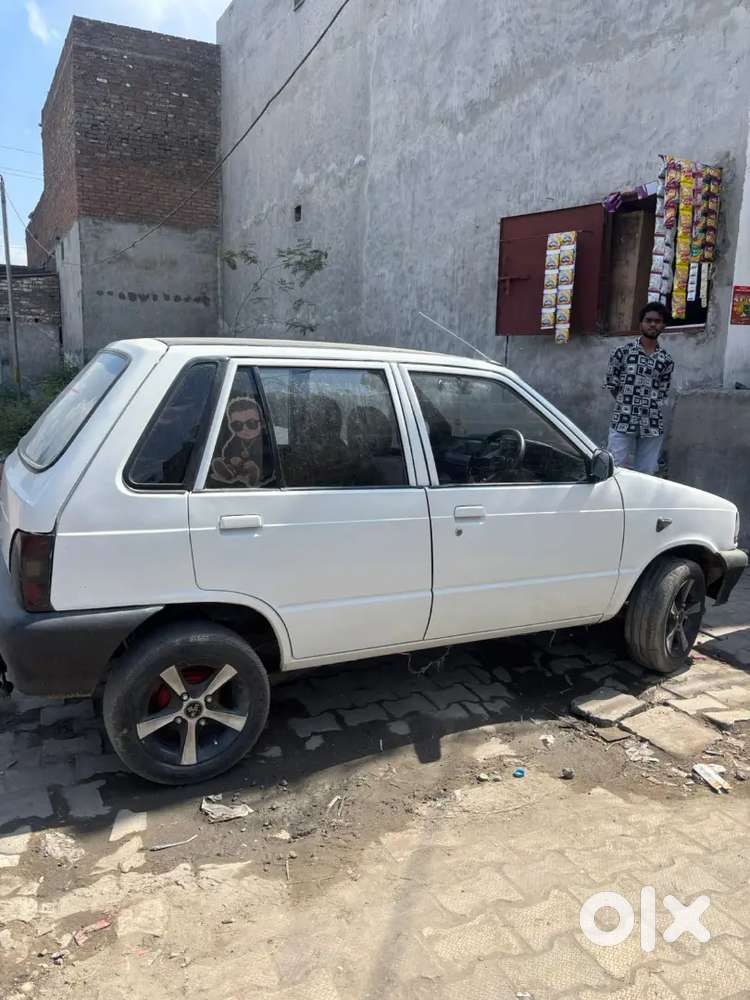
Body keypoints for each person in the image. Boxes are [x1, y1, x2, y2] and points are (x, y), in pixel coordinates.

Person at [604, 302, 674, 475]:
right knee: (614, 469)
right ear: (641, 323)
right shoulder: (622, 352)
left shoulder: (666, 360)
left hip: (652, 424)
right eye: (648, 320)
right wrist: (627, 403)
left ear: (663, 326)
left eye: (657, 321)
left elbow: (662, 392)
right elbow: (612, 384)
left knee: (646, 474)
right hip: (623, 420)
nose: (653, 324)